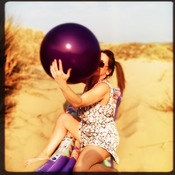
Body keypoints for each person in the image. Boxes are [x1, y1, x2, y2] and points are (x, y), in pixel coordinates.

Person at [24, 49, 125, 172]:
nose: (96, 66)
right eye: (95, 62)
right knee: (64, 118)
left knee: (79, 169)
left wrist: (61, 83)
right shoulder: (90, 80)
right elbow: (74, 71)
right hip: (86, 130)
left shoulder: (103, 87)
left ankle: (110, 172)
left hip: (102, 138)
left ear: (108, 71)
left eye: (101, 64)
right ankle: (45, 154)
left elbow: (78, 102)